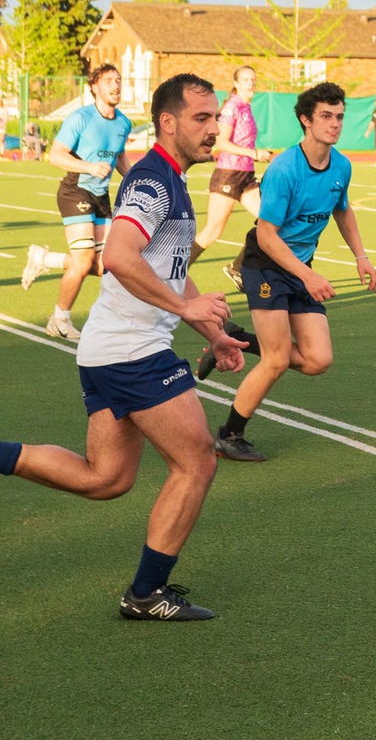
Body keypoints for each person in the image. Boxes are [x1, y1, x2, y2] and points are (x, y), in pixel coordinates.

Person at [2, 73, 244, 620]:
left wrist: (213, 333)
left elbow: (169, 269)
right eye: (201, 118)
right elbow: (118, 257)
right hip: (133, 352)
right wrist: (185, 310)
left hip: (110, 350)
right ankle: (145, 594)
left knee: (105, 478)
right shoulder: (154, 181)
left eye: (215, 117)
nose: (213, 129)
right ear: (168, 122)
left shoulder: (171, 178)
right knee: (197, 462)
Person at [211, 82, 376, 463]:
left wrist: (361, 256)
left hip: (300, 268)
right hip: (266, 265)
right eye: (326, 116)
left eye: (339, 117)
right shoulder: (284, 169)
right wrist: (308, 276)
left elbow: (342, 210)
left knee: (318, 359)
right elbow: (266, 236)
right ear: (305, 120)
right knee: (276, 360)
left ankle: (237, 338)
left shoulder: (341, 166)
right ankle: (230, 434)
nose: (335, 124)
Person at [22, 64, 134, 340]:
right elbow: (56, 155)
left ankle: (44, 258)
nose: (116, 85)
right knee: (83, 261)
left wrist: (136, 180)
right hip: (75, 191)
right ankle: (59, 320)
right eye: (108, 80)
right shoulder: (80, 118)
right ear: (94, 87)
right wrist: (89, 167)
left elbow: (119, 156)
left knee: (107, 266)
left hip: (101, 196)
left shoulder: (123, 123)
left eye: (118, 80)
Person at [190, 65, 269, 289]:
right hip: (228, 175)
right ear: (236, 83)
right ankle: (173, 273)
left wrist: (256, 155)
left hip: (246, 176)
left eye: (253, 79)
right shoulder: (232, 107)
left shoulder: (246, 107)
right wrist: (254, 154)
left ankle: (238, 268)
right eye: (245, 80)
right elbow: (220, 142)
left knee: (270, 221)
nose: (251, 83)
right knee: (211, 232)